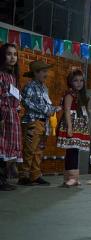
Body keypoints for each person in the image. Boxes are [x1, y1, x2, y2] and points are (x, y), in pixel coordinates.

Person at [18, 60, 61, 186]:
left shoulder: (44, 88)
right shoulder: (29, 86)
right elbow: (26, 102)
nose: (46, 74)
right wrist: (48, 110)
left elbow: (46, 105)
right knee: (29, 149)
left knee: (39, 150)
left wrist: (53, 108)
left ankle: (35, 175)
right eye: (43, 71)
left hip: (44, 123)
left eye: (46, 71)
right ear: (35, 73)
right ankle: (24, 176)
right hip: (33, 121)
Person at [57, 68, 90, 187]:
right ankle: (70, 177)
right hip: (71, 124)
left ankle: (73, 177)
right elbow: (66, 111)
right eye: (76, 80)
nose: (79, 83)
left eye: (81, 80)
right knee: (71, 151)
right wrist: (70, 128)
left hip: (79, 125)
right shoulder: (70, 94)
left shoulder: (80, 95)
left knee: (75, 151)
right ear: (70, 81)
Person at [0, 43, 21, 191]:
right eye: (9, 54)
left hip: (13, 116)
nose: (12, 57)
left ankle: (4, 178)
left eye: (14, 54)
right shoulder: (1, 74)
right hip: (3, 115)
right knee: (1, 146)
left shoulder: (13, 75)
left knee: (9, 147)